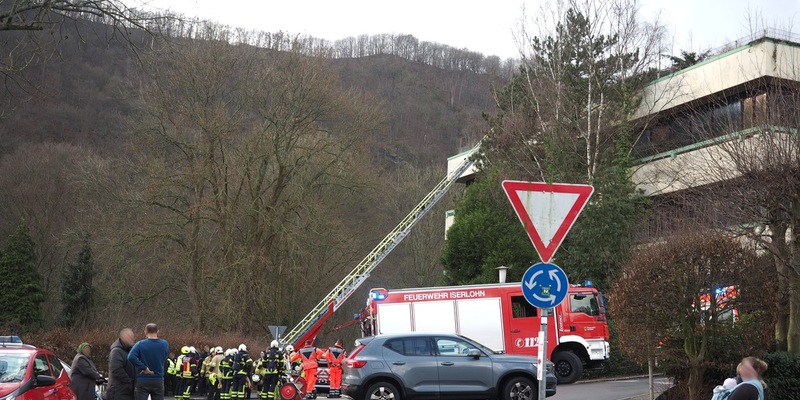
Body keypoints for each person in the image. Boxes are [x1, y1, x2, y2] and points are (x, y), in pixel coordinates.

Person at [128, 323, 170, 400]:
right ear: (158, 331)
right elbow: (164, 357)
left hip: (143, 378)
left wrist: (144, 368)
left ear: (145, 332)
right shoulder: (165, 344)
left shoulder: (140, 344)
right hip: (158, 379)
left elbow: (131, 357)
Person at [108, 328, 136, 400]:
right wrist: (129, 382)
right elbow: (116, 369)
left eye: (132, 337)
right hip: (118, 390)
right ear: (122, 337)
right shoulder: (116, 351)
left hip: (127, 391)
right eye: (129, 337)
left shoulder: (131, 351)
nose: (132, 339)